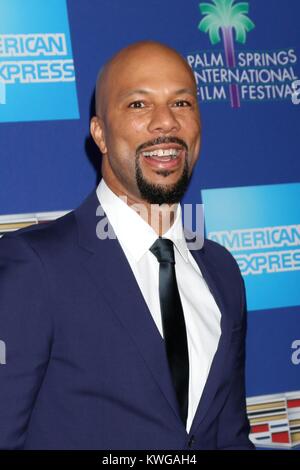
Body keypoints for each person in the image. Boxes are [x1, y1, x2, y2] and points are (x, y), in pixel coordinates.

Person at [0, 41, 254, 450]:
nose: (165, 123)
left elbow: (230, 437)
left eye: (182, 103)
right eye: (139, 105)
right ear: (100, 133)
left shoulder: (222, 272)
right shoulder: (35, 268)